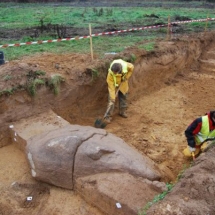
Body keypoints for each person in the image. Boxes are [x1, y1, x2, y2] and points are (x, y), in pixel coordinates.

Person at [104, 59, 134, 123]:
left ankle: (122, 112)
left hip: (123, 83)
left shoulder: (127, 66)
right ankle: (107, 117)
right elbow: (111, 86)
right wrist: (113, 97)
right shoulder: (110, 74)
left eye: (115, 73)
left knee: (123, 97)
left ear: (119, 71)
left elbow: (132, 67)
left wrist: (126, 77)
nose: (113, 73)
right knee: (111, 101)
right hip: (114, 85)